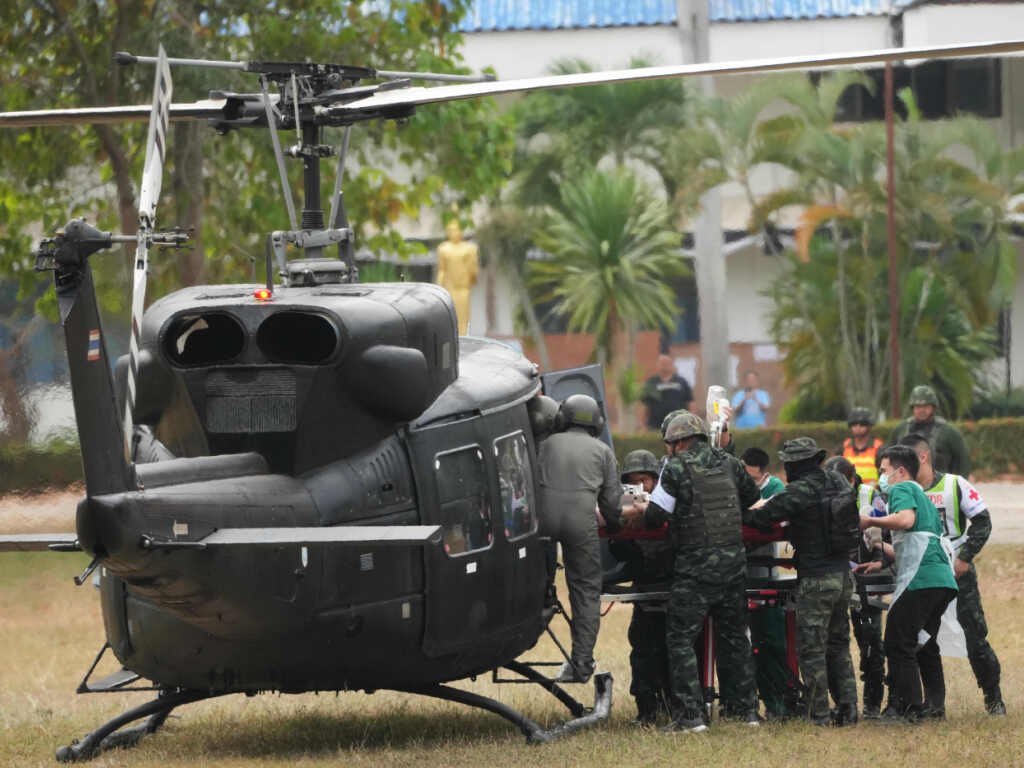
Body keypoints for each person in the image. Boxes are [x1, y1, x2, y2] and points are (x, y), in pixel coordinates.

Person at [624, 411, 761, 732]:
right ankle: (746, 712)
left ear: (679, 442)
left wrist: (642, 509)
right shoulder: (730, 463)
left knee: (680, 638)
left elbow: (656, 517)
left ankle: (690, 716)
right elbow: (752, 498)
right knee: (735, 638)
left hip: (695, 568)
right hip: (734, 566)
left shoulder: (676, 467)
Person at [747, 438, 859, 726]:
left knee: (811, 650)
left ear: (795, 465)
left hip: (817, 579)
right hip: (844, 575)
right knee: (839, 645)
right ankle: (848, 709)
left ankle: (818, 714)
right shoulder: (838, 481)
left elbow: (762, 518)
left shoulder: (800, 490)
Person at [898, 434, 1005, 716]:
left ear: (923, 457)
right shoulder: (904, 490)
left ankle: (993, 697)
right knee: (922, 639)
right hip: (921, 574)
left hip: (957, 573)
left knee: (975, 637)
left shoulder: (954, 484)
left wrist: (965, 557)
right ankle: (934, 705)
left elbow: (983, 521)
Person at [855, 445, 958, 722]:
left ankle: (910, 709)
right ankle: (935, 708)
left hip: (921, 578)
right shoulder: (921, 495)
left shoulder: (902, 489)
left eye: (884, 470)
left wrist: (870, 520)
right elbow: (916, 537)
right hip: (941, 579)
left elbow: (905, 520)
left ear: (900, 471)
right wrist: (880, 551)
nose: (881, 476)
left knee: (898, 642)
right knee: (923, 643)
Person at [537, 394, 622, 683]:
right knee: (585, 590)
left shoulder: (544, 444)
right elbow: (612, 505)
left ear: (563, 418)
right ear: (597, 423)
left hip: (542, 523)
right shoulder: (602, 451)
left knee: (536, 582)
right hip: (581, 524)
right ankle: (582, 663)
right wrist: (615, 527)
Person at [824, 455, 892, 719]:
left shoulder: (869, 495)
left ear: (852, 479)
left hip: (866, 579)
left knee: (871, 643)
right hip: (835, 579)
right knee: (833, 643)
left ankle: (872, 705)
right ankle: (842, 703)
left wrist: (879, 560)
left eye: (842, 482)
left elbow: (885, 535)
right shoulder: (823, 494)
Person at [613, 449, 674, 724]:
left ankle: (675, 705)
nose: (639, 487)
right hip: (645, 589)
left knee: (674, 650)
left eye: (643, 480)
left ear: (655, 480)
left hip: (673, 587)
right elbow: (619, 550)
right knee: (642, 650)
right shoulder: (626, 506)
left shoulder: (669, 501)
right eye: (632, 482)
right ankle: (647, 708)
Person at [742, 445, 796, 719]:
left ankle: (781, 702)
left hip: (773, 573)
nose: (748, 483)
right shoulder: (740, 484)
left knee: (773, 640)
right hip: (747, 569)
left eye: (752, 479)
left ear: (764, 475)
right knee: (752, 643)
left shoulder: (776, 489)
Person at [888, 385, 969, 476]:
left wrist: (957, 482)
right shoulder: (901, 430)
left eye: (926, 406)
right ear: (913, 408)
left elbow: (963, 462)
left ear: (933, 407)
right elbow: (888, 459)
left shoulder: (948, 432)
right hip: (906, 482)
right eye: (918, 407)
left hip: (940, 482)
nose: (922, 410)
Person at [436, 219, 479, 335]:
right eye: (450, 230)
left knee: (463, 318)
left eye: (455, 230)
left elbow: (473, 269)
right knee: (449, 316)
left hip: (463, 287)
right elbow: (442, 270)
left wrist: (472, 279)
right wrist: (438, 288)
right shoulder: (443, 249)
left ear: (460, 231)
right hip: (449, 288)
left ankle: (463, 337)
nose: (453, 233)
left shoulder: (469, 249)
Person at [642, 355, 695, 431]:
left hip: (679, 426)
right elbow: (645, 405)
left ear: (672, 365)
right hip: (655, 426)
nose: (665, 366)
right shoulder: (651, 382)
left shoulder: (682, 381)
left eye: (667, 363)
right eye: (662, 363)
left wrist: (692, 422)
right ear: (658, 365)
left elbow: (690, 402)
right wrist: (643, 425)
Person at [838, 407, 884, 486]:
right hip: (848, 491)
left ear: (870, 426)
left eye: (862, 424)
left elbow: (885, 474)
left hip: (873, 492)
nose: (858, 426)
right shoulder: (843, 447)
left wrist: (877, 485)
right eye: (854, 423)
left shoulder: (879, 447)